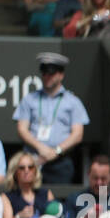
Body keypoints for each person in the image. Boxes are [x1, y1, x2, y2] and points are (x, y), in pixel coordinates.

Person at [13, 52, 91, 184]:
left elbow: (78, 134)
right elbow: (22, 128)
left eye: (51, 73)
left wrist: (56, 151)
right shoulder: (29, 99)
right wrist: (41, 148)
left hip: (60, 161)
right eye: (44, 73)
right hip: (33, 160)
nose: (46, 77)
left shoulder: (73, 101)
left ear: (61, 75)